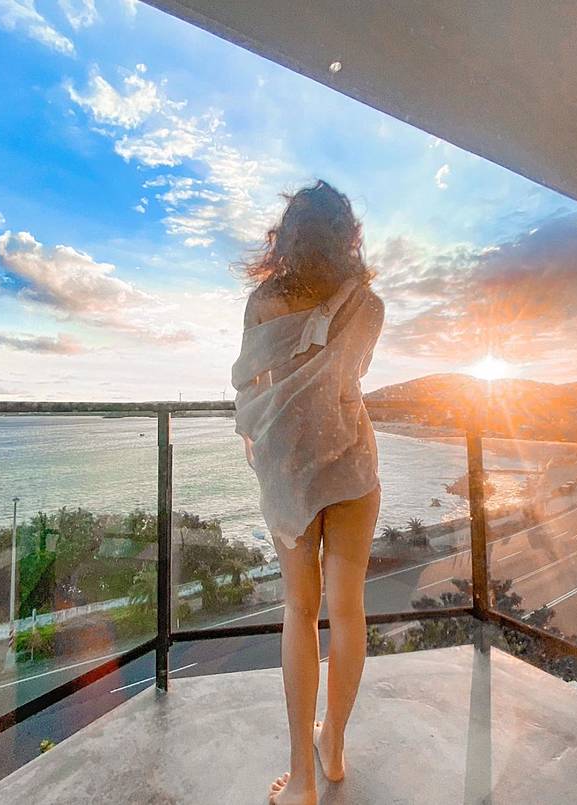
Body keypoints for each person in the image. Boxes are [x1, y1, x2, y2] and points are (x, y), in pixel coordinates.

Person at [230, 179, 385, 805]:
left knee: (299, 610)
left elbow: (252, 383)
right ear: (349, 234)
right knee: (348, 612)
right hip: (352, 465)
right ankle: (333, 748)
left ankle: (301, 781)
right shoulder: (368, 304)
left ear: (286, 235)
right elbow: (350, 379)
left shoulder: (265, 300)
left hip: (292, 471)